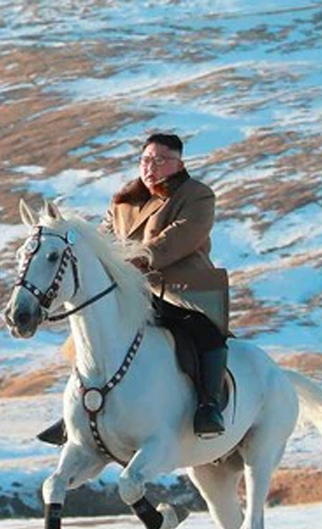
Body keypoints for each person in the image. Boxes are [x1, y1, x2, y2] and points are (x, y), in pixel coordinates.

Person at [37, 133, 229, 445]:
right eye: (145, 160)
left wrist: (136, 259)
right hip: (132, 290)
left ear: (179, 164)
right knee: (88, 337)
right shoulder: (124, 199)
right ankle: (80, 411)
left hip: (181, 288)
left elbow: (179, 237)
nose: (150, 167)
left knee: (205, 334)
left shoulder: (197, 195)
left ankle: (208, 406)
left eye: (159, 160)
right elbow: (104, 238)